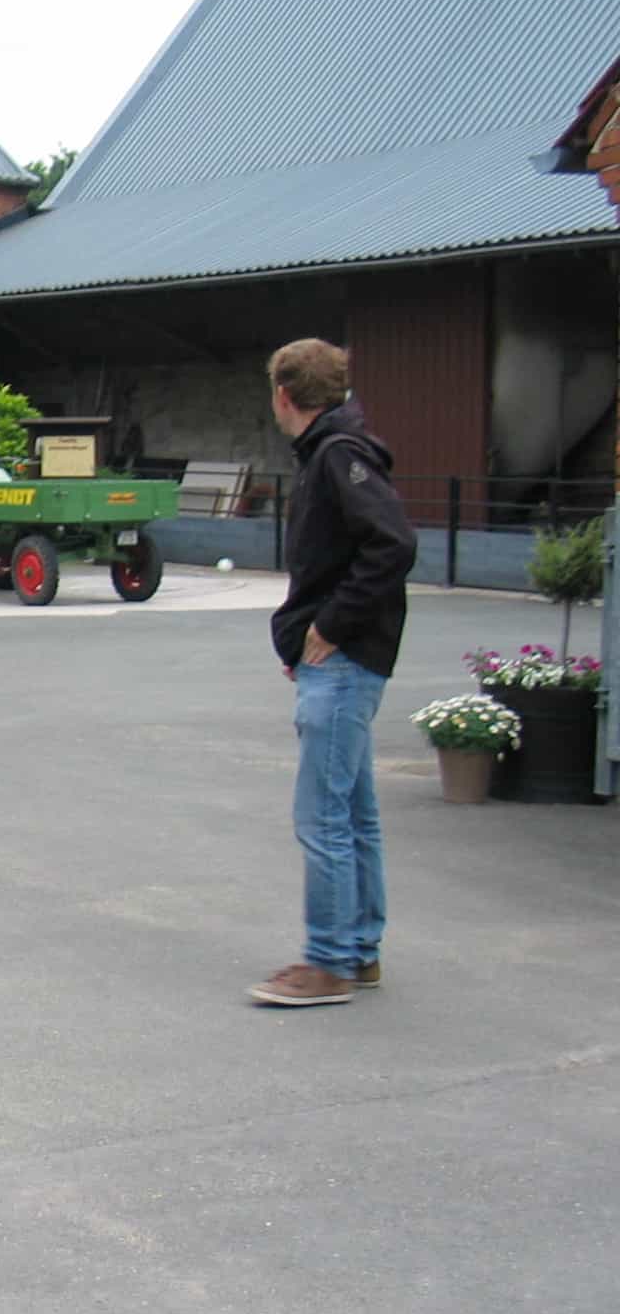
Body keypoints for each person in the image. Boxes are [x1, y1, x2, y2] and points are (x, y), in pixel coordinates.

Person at [251, 338, 417, 1008]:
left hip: (344, 663)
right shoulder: (336, 451)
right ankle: (359, 951)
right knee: (352, 812)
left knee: (321, 816)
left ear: (284, 395)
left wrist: (328, 628)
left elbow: (392, 544)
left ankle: (327, 963)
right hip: (343, 661)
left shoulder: (337, 456)